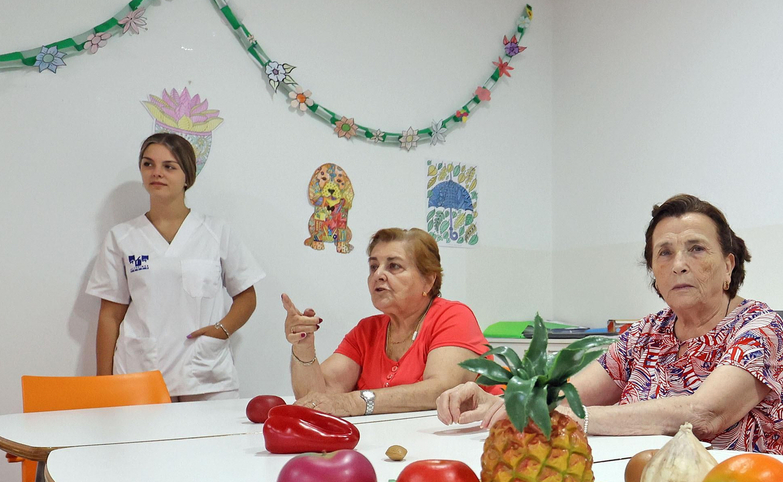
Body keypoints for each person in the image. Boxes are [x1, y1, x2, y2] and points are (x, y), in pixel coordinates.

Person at [437, 194, 783, 453]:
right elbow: (569, 395)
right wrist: (501, 402)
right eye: (665, 252)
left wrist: (576, 418)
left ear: (729, 265)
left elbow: (704, 414)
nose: (678, 265)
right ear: (653, 271)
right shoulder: (645, 333)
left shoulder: (759, 327)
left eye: (696, 249)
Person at [90, 133, 263, 401]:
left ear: (187, 176)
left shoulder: (216, 232)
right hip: (140, 372)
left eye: (169, 166)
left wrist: (221, 330)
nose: (157, 173)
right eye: (148, 164)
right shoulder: (122, 237)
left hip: (206, 373)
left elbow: (246, 297)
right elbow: (110, 315)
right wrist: (103, 384)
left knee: (214, 431)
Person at [283, 227, 494, 416]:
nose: (378, 275)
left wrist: (355, 402)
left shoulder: (453, 316)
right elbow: (316, 399)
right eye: (373, 266)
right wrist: (303, 346)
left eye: (394, 266)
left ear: (428, 281)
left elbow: (441, 389)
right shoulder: (367, 330)